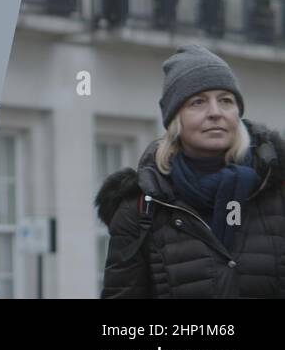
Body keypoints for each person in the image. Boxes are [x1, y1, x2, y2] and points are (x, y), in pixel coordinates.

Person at [98, 44, 285, 298]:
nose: (216, 113)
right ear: (176, 119)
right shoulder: (141, 208)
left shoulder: (275, 189)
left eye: (226, 101)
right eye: (198, 102)